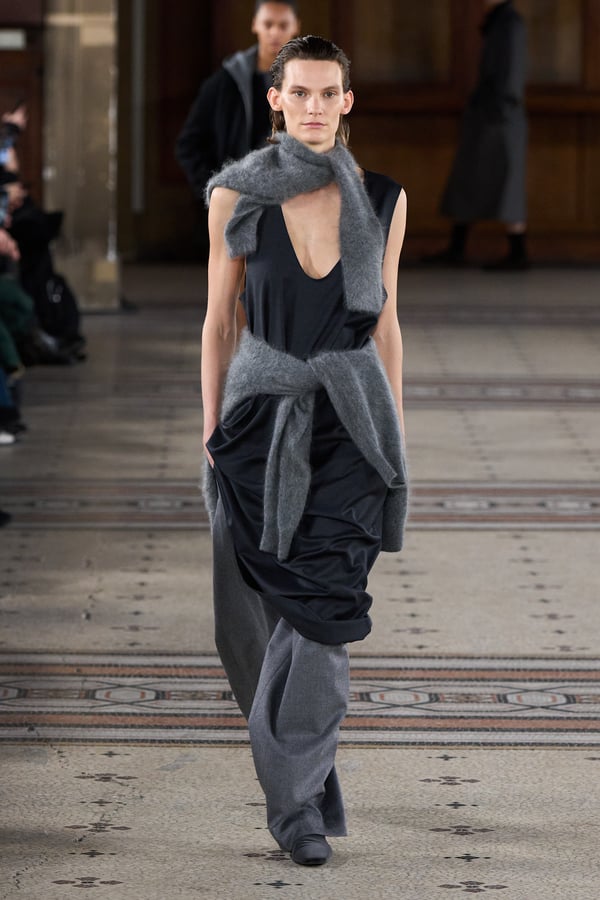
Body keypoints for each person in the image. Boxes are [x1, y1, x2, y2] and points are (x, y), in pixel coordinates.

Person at [202, 35, 408, 867]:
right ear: (276, 99)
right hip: (260, 421)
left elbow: (387, 324)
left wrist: (396, 439)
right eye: (301, 93)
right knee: (264, 620)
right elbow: (219, 323)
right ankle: (308, 781)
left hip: (354, 424)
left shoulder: (384, 197)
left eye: (330, 93)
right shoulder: (236, 195)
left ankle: (295, 811)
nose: (315, 107)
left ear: (347, 101)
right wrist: (210, 431)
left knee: (325, 612)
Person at [425, 0, 528, 269]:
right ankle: (457, 246)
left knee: (507, 182)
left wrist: (498, 108)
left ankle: (517, 251)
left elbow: (510, 75)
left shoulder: (509, 24)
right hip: (489, 114)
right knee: (467, 179)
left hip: (499, 116)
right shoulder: (498, 22)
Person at [176, 0, 301, 202]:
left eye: (283, 25)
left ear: (296, 27)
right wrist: (216, 192)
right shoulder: (224, 83)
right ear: (255, 24)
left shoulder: (310, 84)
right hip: (235, 204)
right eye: (268, 24)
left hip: (292, 202)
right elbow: (188, 145)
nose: (275, 33)